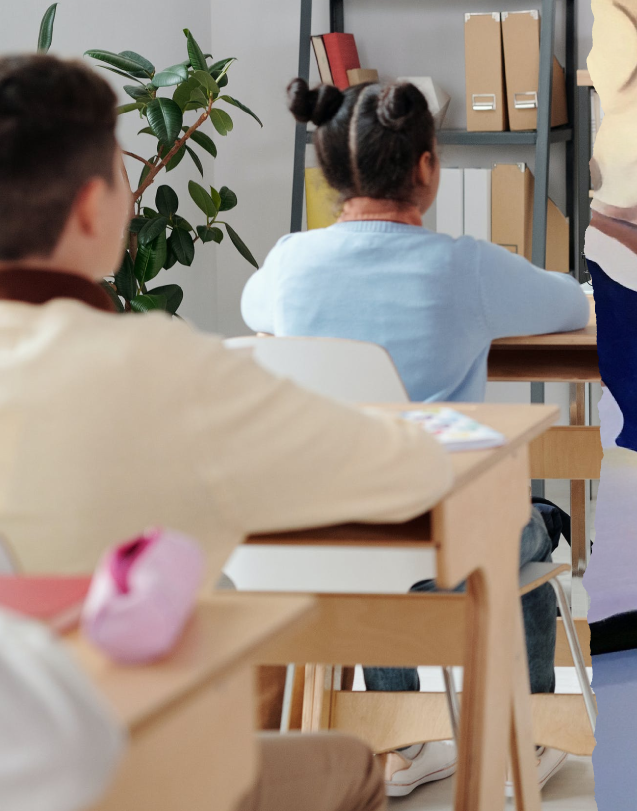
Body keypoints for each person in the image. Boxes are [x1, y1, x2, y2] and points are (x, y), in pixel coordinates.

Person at [0, 53, 449, 811]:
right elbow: (412, 469)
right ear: (88, 208)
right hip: (124, 775)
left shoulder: (281, 267)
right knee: (348, 765)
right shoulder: (164, 367)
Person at [240, 78, 591, 794]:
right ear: (427, 168)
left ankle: (406, 745)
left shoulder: (287, 263)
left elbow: (255, 314)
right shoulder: (461, 267)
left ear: (330, 169)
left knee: (371, 493)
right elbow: (567, 302)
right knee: (519, 516)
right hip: (444, 543)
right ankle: (511, 739)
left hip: (321, 533)